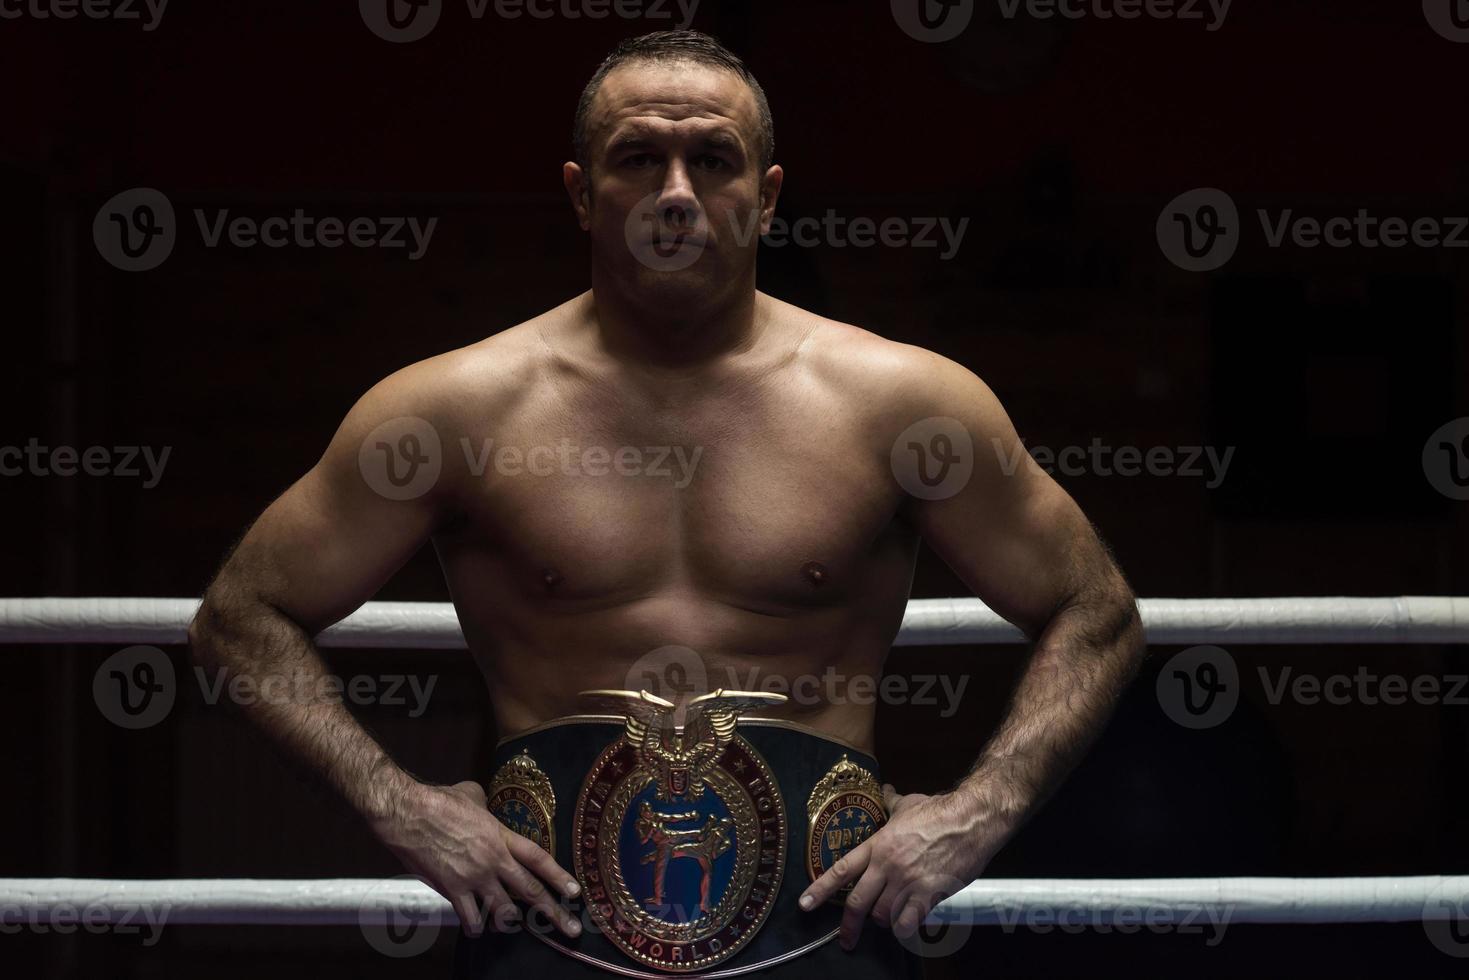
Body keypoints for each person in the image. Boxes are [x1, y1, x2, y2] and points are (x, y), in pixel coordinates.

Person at [187, 29, 1145, 979]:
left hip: (826, 941)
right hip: (543, 941)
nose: (676, 195)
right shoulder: (452, 411)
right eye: (639, 158)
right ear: (579, 193)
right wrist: (399, 807)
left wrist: (979, 815)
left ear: (766, 197)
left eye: (713, 161)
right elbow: (241, 615)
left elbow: (1093, 611)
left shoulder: (903, 406)